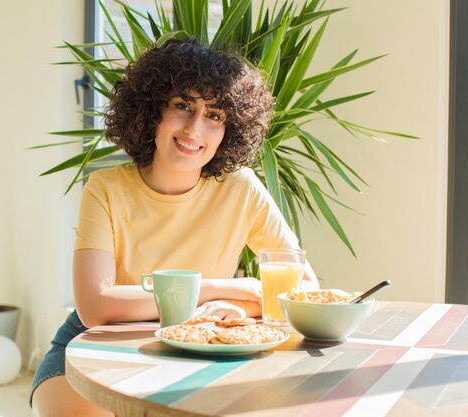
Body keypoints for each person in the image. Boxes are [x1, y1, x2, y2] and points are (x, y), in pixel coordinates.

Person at [31, 36, 318, 417]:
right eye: (183, 106)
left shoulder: (242, 188)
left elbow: (304, 289)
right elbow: (96, 307)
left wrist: (229, 306)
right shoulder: (106, 189)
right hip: (91, 344)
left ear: (228, 131)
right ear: (152, 111)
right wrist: (222, 288)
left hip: (199, 344)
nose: (194, 129)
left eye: (215, 116)